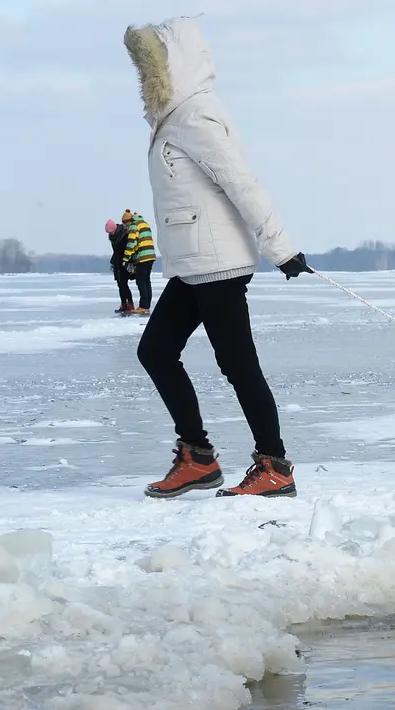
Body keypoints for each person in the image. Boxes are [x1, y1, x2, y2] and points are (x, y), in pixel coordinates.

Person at [124, 16, 315, 499]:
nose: (147, 78)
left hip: (218, 265)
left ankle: (274, 466)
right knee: (156, 352)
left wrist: (282, 249)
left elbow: (242, 183)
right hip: (192, 265)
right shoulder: (173, 118)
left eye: (152, 67)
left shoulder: (198, 118)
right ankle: (198, 458)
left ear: (174, 65)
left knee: (237, 363)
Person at [119, 209, 157, 314]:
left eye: (125, 224)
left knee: (140, 281)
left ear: (127, 221)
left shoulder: (134, 226)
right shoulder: (144, 223)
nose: (125, 227)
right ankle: (146, 305)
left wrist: (125, 259)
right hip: (150, 255)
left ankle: (143, 307)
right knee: (146, 281)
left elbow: (132, 244)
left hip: (142, 257)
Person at [106, 218, 134, 314]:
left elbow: (127, 248)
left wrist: (127, 261)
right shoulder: (112, 238)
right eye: (109, 233)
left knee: (124, 284)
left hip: (124, 262)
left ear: (115, 229)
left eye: (111, 232)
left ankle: (130, 304)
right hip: (117, 262)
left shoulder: (124, 235)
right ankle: (123, 304)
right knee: (120, 284)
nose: (110, 234)